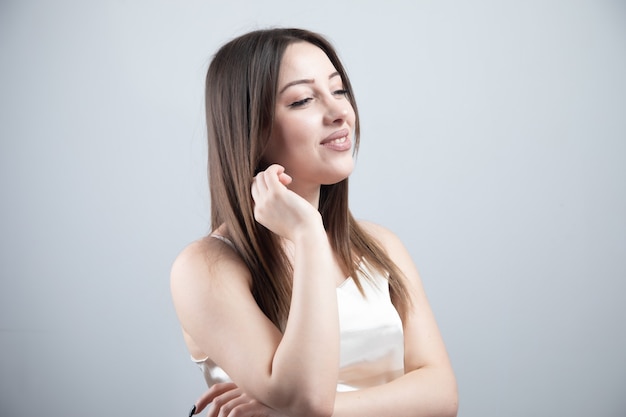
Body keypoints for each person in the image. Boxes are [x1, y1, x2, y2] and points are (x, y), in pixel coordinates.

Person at [170, 28, 458, 417]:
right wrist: (308, 234)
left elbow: (441, 395)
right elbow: (305, 398)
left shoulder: (380, 245)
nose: (340, 112)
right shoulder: (205, 267)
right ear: (250, 128)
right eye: (303, 99)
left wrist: (314, 410)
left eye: (338, 91)